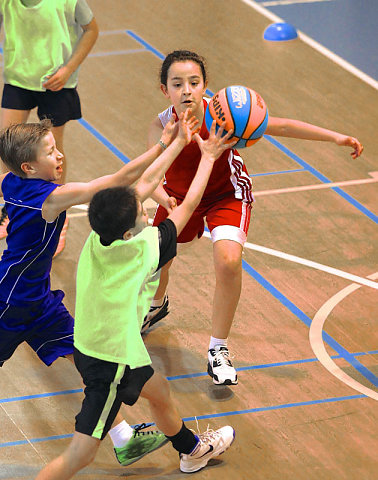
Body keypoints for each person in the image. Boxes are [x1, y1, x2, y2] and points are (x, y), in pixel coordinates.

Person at [144, 49, 364, 386]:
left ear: (206, 86)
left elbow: (281, 125)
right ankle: (156, 305)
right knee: (159, 263)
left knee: (228, 262)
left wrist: (334, 136)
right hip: (181, 199)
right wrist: (164, 198)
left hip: (225, 195)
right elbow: (150, 174)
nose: (187, 90)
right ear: (165, 90)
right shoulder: (162, 125)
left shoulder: (224, 114)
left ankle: (218, 349)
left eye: (194, 82)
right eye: (178, 84)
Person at [35, 119, 236, 479]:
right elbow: (189, 205)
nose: (147, 210)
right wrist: (207, 157)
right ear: (130, 231)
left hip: (96, 345)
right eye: (143, 212)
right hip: (109, 362)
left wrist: (175, 144)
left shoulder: (97, 239)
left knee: (158, 390)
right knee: (80, 455)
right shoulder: (145, 250)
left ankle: (190, 450)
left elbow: (142, 185)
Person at [0, 113, 195, 466]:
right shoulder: (50, 198)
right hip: (9, 303)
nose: (59, 156)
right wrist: (164, 144)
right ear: (28, 167)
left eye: (56, 148)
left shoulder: (11, 181)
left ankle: (121, 437)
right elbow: (119, 180)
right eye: (50, 152)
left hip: (40, 303)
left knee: (87, 356)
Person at [0, 0, 99, 257]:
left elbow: (91, 30)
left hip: (56, 84)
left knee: (51, 153)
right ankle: (14, 208)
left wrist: (68, 69)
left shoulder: (68, 1)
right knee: (6, 146)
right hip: (18, 79)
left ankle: (59, 216)